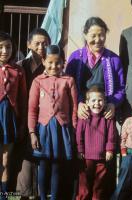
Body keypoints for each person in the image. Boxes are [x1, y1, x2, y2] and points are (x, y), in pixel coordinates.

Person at [66, 17, 125, 197]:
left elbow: (122, 87)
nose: (97, 40)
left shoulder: (113, 59)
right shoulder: (75, 57)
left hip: (104, 117)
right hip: (82, 117)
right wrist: (79, 104)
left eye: (101, 35)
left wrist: (113, 103)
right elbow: (67, 85)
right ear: (85, 35)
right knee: (82, 166)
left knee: (103, 169)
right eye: (93, 35)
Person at [28, 45, 77, 200]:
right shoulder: (38, 81)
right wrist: (32, 133)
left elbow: (75, 108)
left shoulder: (68, 81)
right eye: (50, 62)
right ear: (43, 61)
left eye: (58, 63)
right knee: (43, 165)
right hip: (43, 129)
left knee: (57, 166)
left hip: (62, 129)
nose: (53, 66)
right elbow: (32, 109)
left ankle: (54, 197)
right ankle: (43, 197)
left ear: (63, 62)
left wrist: (74, 130)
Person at [16, 28, 51, 199]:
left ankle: (38, 194)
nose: (41, 47)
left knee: (40, 156)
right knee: (22, 158)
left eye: (45, 43)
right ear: (28, 44)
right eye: (37, 43)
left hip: (44, 120)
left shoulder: (52, 67)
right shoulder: (20, 67)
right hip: (22, 118)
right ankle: (17, 194)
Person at [76, 85, 117, 200]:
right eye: (93, 100)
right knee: (84, 185)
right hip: (86, 158)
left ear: (105, 102)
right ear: (87, 102)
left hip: (101, 158)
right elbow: (79, 135)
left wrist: (109, 149)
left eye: (100, 100)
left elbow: (111, 135)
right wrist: (80, 150)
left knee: (99, 185)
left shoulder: (107, 117)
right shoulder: (84, 117)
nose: (97, 103)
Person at [0, 31, 27, 199]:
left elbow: (23, 98)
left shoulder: (18, 70)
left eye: (8, 47)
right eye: (1, 47)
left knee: (6, 158)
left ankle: (4, 195)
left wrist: (23, 122)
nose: (4, 51)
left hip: (9, 118)